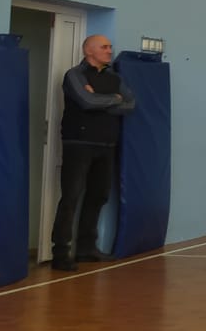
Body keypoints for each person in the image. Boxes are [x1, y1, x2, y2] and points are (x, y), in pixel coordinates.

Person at [51, 34, 135, 271]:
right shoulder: (74, 75)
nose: (110, 51)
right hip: (79, 144)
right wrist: (114, 99)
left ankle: (86, 249)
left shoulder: (114, 78)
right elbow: (86, 101)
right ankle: (60, 253)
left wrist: (102, 99)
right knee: (71, 197)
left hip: (107, 145)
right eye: (104, 47)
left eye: (110, 47)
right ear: (89, 51)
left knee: (98, 196)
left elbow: (130, 104)